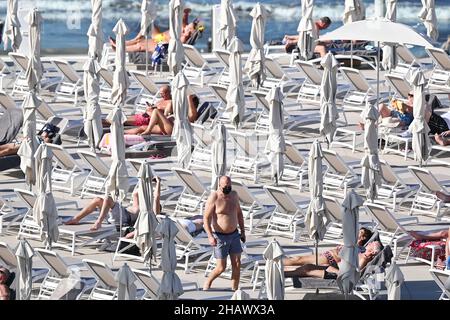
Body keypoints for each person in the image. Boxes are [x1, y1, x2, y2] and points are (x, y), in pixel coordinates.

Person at [64, 176, 204, 235]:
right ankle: (76, 218)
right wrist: (146, 181)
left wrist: (158, 185)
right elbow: (136, 193)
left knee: (106, 198)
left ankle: (99, 221)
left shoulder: (151, 213)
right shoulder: (140, 206)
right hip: (120, 213)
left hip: (123, 219)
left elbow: (156, 198)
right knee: (97, 199)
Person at [203, 176, 246, 291]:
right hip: (220, 236)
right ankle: (208, 282)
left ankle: (234, 290)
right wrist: (210, 236)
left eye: (229, 186)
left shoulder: (234, 195)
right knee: (221, 268)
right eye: (225, 186)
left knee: (237, 264)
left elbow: (239, 214)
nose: (228, 188)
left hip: (234, 235)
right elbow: (206, 218)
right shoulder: (214, 197)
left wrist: (243, 231)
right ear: (219, 185)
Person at [110, 8, 204, 53]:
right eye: (188, 25)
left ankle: (120, 47)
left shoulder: (184, 37)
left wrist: (192, 31)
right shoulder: (185, 28)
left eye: (189, 27)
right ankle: (123, 42)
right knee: (147, 24)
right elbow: (198, 20)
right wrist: (187, 13)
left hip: (162, 42)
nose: (187, 26)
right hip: (160, 36)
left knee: (140, 45)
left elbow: (175, 46)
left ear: (190, 32)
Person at [284, 240, 382, 279]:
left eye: (373, 243)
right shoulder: (363, 251)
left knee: (304, 266)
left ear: (373, 252)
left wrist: (333, 268)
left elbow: (353, 274)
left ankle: (282, 273)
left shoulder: (364, 258)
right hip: (330, 261)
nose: (370, 242)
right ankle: (281, 270)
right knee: (303, 265)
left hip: (331, 266)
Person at [102, 85, 173, 130]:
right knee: (120, 118)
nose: (161, 95)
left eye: (162, 93)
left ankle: (102, 122)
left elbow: (164, 118)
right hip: (142, 116)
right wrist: (150, 107)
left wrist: (151, 111)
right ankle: (103, 122)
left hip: (146, 120)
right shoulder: (161, 100)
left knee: (120, 120)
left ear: (168, 92)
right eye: (160, 93)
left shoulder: (169, 103)